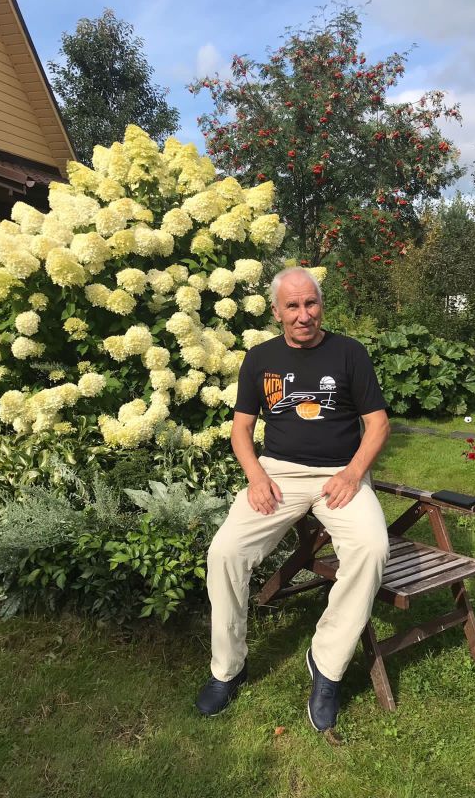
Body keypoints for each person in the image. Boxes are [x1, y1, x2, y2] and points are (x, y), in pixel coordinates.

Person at [195, 267, 390, 731]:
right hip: (277, 473)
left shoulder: (350, 353)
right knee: (225, 553)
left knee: (371, 549)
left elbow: (378, 424)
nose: (304, 315)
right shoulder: (260, 358)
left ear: (321, 305)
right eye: (293, 306)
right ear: (277, 312)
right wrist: (256, 477)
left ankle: (327, 665)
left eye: (311, 303)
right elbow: (241, 430)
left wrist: (353, 473)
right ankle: (228, 668)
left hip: (339, 475)